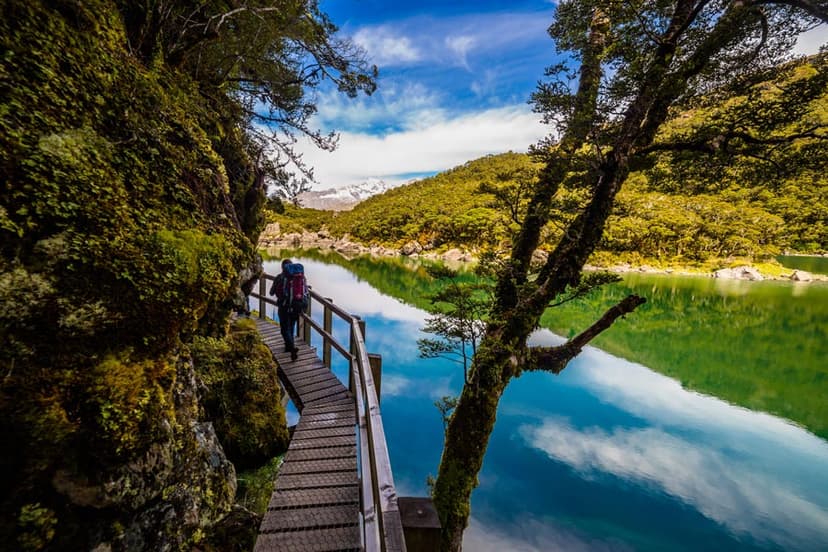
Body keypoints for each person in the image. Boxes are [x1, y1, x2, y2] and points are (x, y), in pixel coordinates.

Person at [270, 258, 299, 360]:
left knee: (284, 329)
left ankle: (291, 348)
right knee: (291, 327)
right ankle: (289, 347)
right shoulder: (298, 277)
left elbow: (271, 292)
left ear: (282, 267)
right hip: (296, 307)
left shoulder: (279, 277)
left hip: (283, 306)